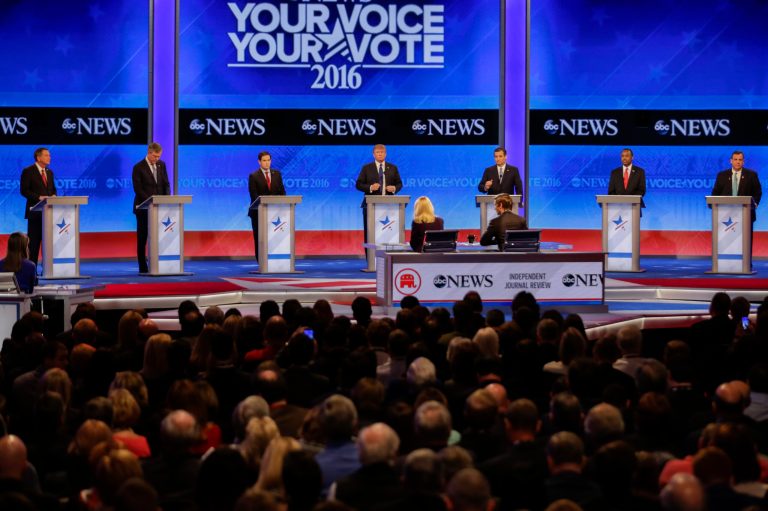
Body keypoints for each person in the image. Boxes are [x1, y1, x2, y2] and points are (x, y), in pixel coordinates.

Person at [132, 142, 170, 274]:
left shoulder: (161, 165)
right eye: (155, 156)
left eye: (159, 156)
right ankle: (143, 267)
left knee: (160, 237)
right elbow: (138, 189)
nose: (157, 159)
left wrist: (166, 201)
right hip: (143, 208)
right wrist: (151, 202)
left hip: (159, 208)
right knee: (142, 238)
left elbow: (166, 184)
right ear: (149, 153)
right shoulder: (138, 167)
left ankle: (160, 264)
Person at [355, 144, 403, 246]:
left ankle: (388, 254)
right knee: (370, 234)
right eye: (377, 152)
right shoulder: (367, 168)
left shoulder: (393, 168)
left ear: (385, 154)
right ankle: (370, 255)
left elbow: (399, 184)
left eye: (382, 152)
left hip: (389, 206)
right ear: (373, 154)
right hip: (370, 206)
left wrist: (394, 188)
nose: (380, 154)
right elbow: (358, 184)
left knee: (388, 232)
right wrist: (370, 187)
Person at [20, 147, 57, 265]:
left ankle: (48, 269)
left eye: (49, 155)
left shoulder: (49, 172)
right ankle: (32, 270)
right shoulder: (28, 171)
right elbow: (24, 191)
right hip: (35, 213)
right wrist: (39, 197)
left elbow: (53, 189)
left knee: (48, 243)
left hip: (48, 213)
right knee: (34, 245)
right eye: (46, 155)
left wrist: (54, 196)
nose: (49, 157)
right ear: (38, 157)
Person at [247, 151, 286, 262]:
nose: (267, 163)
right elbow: (254, 196)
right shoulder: (253, 176)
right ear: (259, 162)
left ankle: (276, 261)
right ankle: (261, 261)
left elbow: (282, 193)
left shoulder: (277, 174)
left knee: (275, 237)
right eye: (264, 160)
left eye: (269, 160)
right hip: (258, 213)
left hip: (276, 213)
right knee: (260, 238)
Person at [711, 150, 762, 224]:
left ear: (743, 162)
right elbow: (715, 193)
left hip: (746, 214)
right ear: (731, 161)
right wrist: (714, 205)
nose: (738, 162)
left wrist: (754, 204)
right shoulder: (722, 175)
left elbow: (758, 192)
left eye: (740, 160)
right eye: (735, 159)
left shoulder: (751, 175)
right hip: (725, 214)